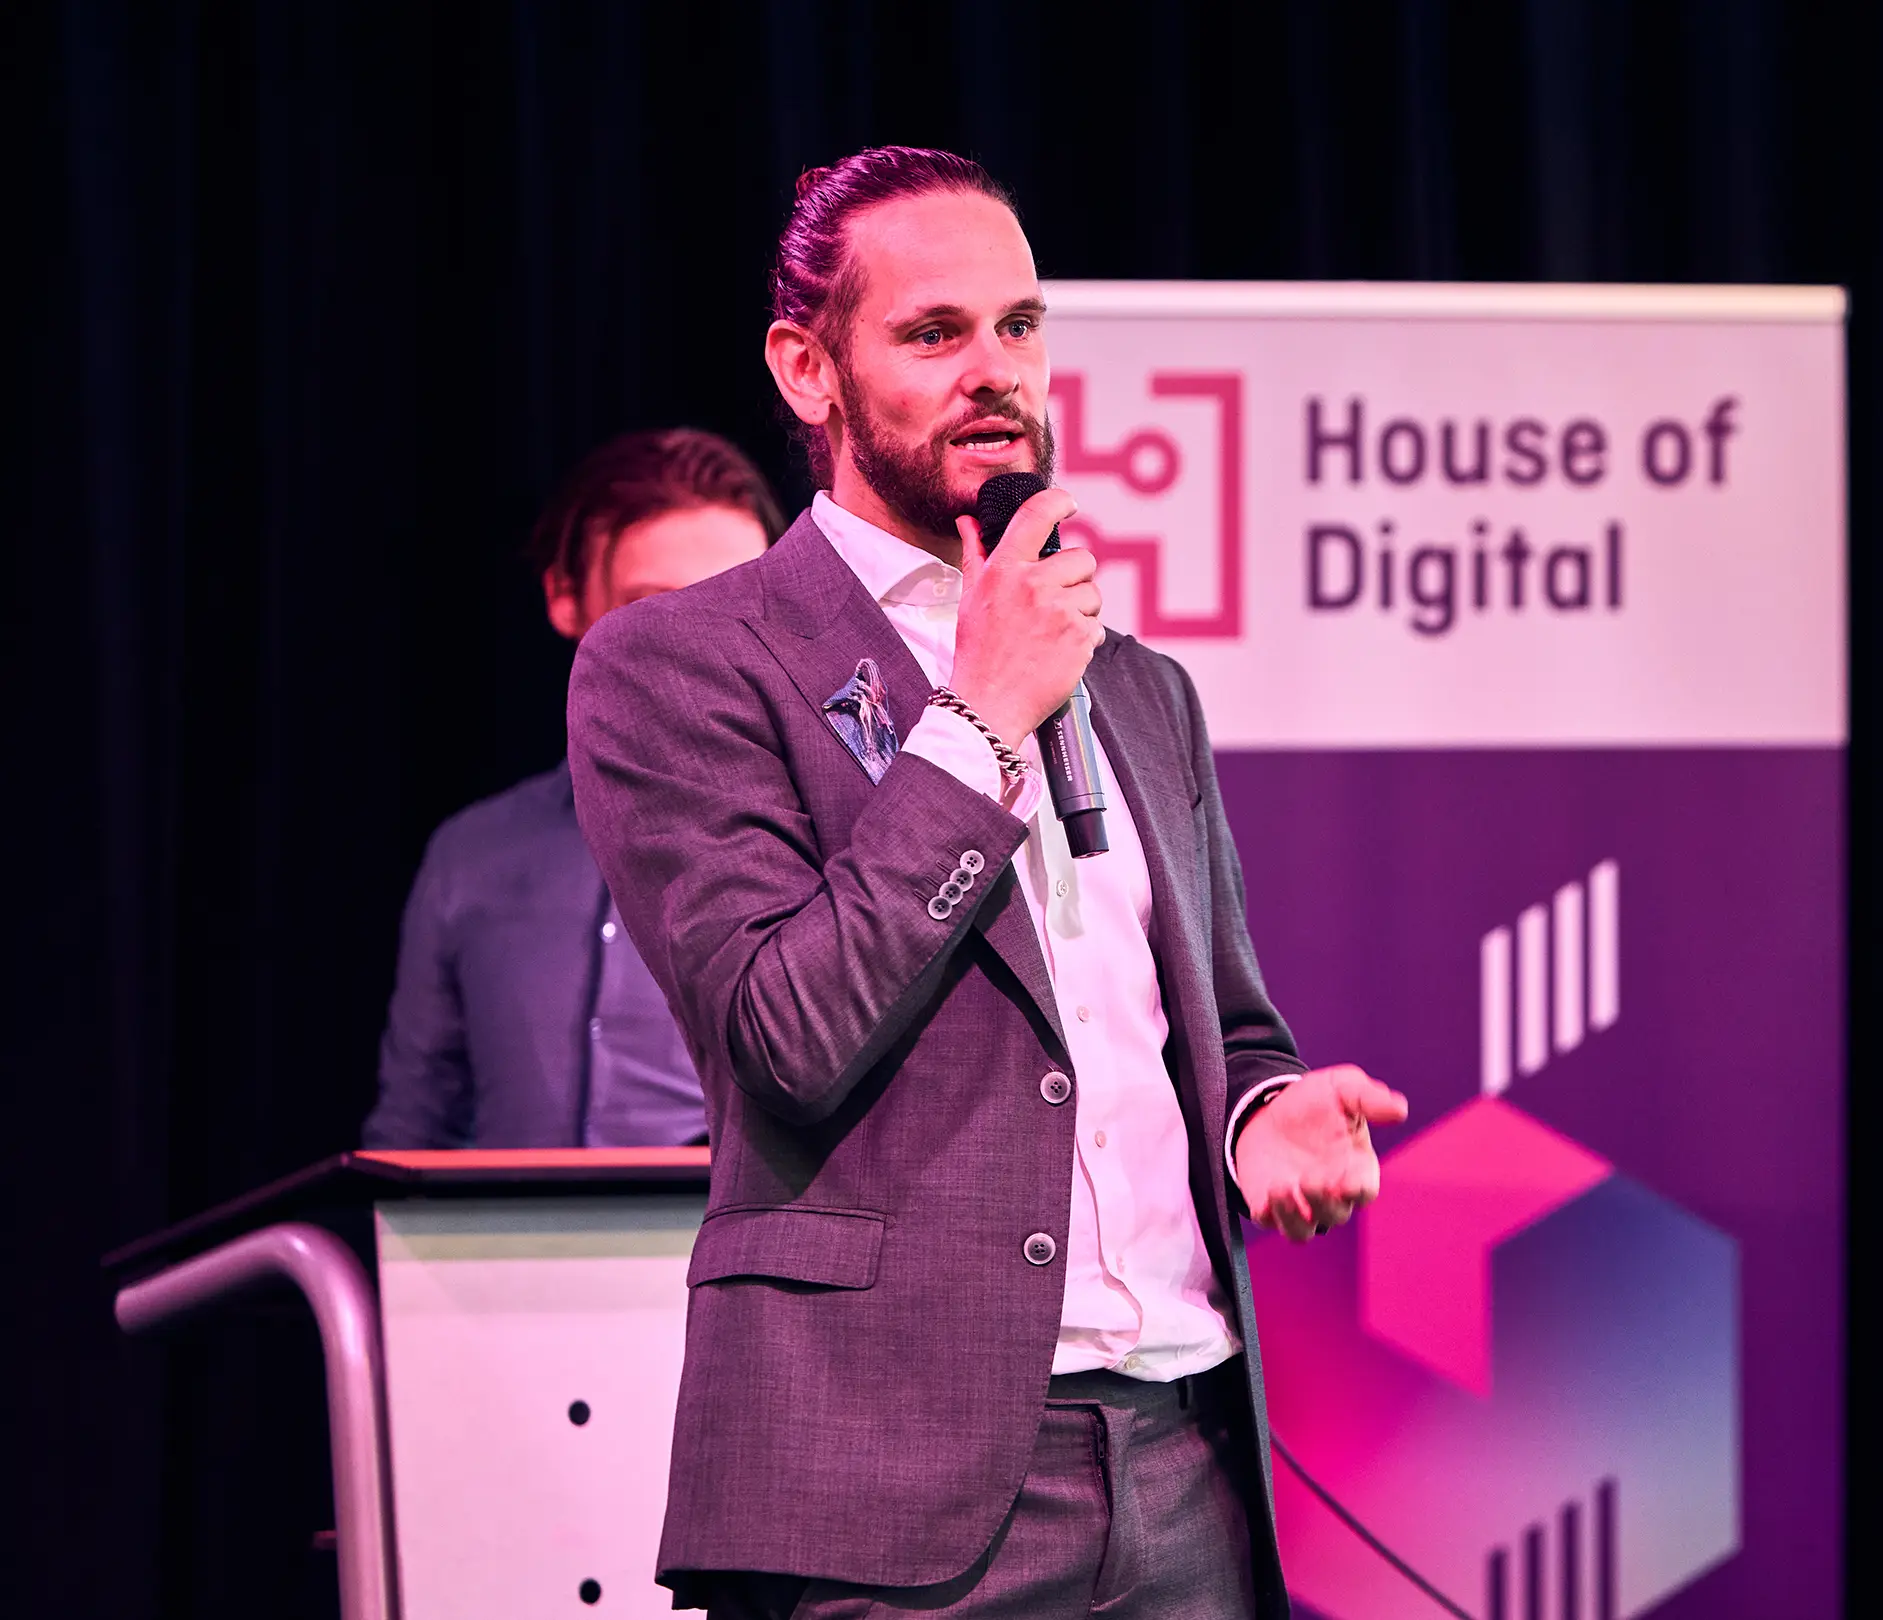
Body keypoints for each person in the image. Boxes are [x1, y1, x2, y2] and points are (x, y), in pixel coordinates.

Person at [566, 148, 1407, 1620]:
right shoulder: (680, 664)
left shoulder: (1138, 688)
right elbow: (782, 1032)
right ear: (807, 368)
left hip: (1181, 1456)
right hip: (885, 1485)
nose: (994, 372)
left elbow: (1219, 1029)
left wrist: (1264, 1116)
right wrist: (976, 723)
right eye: (935, 333)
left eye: (1019, 327)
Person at [362, 429, 782, 1149]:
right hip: (501, 1258)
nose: (700, 646)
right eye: (652, 607)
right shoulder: (473, 853)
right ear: (565, 596)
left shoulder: (820, 843)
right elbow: (411, 1133)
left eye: (732, 605)